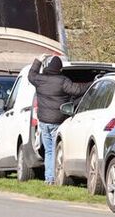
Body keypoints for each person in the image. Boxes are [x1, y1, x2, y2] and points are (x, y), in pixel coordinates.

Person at [28, 54, 87, 185]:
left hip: (43, 122)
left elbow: (31, 75)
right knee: (56, 150)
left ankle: (49, 178)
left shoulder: (40, 79)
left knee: (49, 150)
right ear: (60, 69)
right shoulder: (62, 81)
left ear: (49, 67)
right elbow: (77, 90)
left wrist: (38, 60)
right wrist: (93, 83)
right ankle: (55, 176)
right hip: (57, 122)